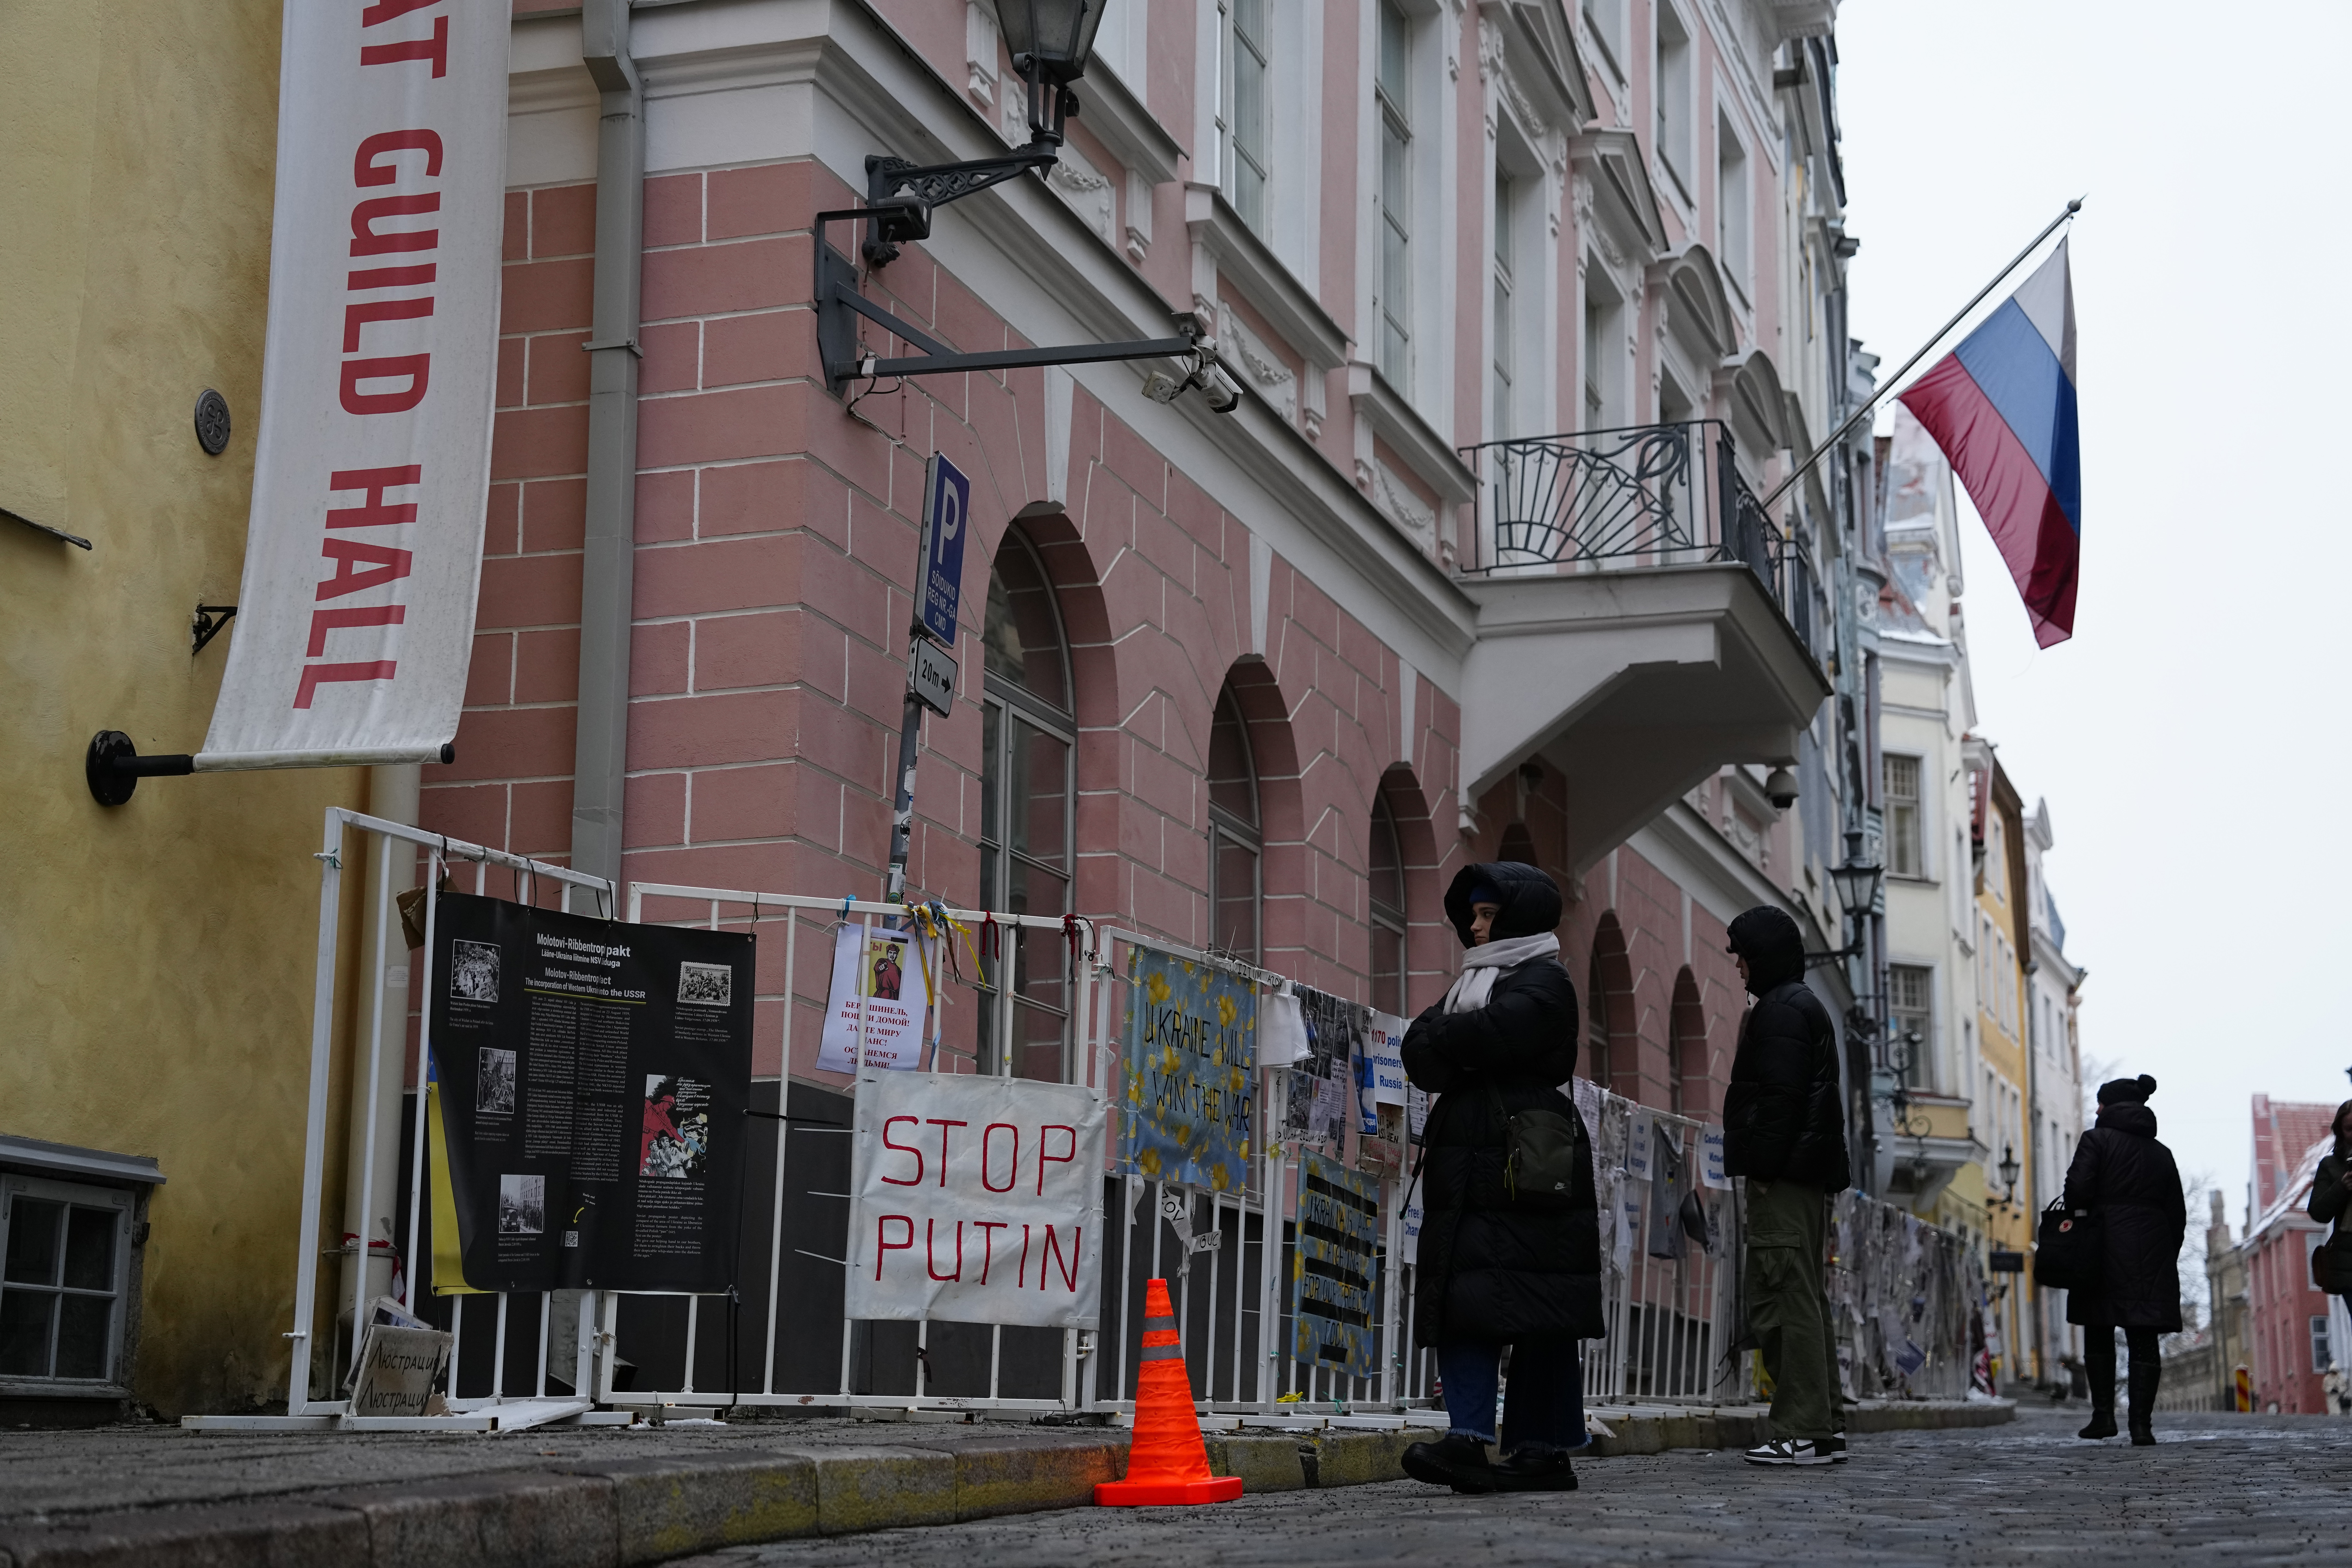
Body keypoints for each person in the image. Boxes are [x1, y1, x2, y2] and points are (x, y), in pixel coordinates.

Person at [1398, 862, 1601, 1495]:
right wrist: (1458, 1041)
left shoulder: (1546, 979)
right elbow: (1418, 1051)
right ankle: (1468, 1437)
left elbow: (1492, 1033)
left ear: (1518, 916)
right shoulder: (1476, 981)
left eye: (1489, 914)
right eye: (1475, 914)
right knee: (1467, 1299)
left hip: (1528, 1158)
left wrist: (1453, 1039)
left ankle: (1543, 1448)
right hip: (1469, 1164)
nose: (1477, 926)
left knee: (1541, 1306)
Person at [1722, 905, 1851, 1467]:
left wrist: (1763, 1166)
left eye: (1743, 957)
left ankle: (1801, 1428)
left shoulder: (1780, 1010)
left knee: (1781, 1298)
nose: (1739, 968)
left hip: (1784, 1175)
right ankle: (1824, 1427)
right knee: (1804, 1297)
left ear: (1763, 957)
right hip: (1804, 1173)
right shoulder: (1802, 1005)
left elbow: (1778, 1102)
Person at [2063, 1073, 2187, 1444]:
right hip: (2151, 1251)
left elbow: (2077, 1191)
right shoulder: (2162, 1153)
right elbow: (2177, 1214)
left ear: (2109, 1107)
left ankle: (2103, 1416)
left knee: (2098, 1327)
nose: (2096, 1110)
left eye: (2100, 1104)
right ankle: (2141, 1425)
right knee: (2144, 1336)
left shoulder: (2096, 1140)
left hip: (2100, 1247)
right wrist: (2165, 1253)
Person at [2304, 1101, 2352, 1325]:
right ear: (2341, 1133)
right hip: (2348, 1263)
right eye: (2350, 1129)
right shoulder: (2331, 1165)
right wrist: (2342, 1187)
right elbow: (2318, 1212)